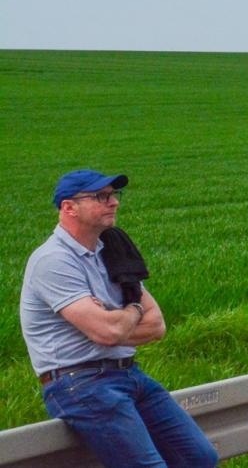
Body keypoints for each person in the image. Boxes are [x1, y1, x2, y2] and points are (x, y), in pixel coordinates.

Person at [21, 170, 218, 468]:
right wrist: (131, 311)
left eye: (114, 195)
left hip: (129, 374)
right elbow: (109, 332)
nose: (113, 202)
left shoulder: (112, 252)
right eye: (101, 196)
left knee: (199, 457)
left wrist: (113, 321)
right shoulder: (53, 261)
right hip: (81, 384)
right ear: (68, 207)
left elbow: (156, 326)